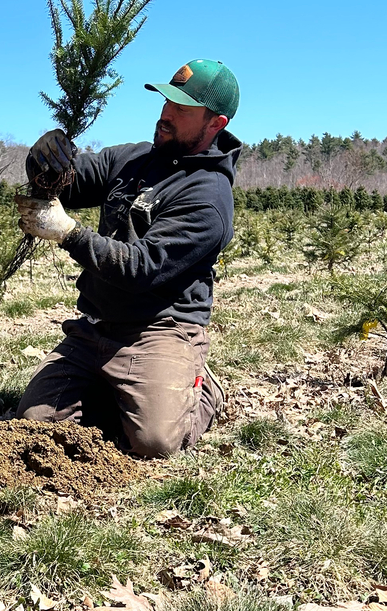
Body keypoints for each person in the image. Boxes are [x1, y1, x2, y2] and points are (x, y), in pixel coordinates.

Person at [14, 59, 242, 458]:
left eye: (182, 109)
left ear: (215, 124)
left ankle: (201, 389)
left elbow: (141, 268)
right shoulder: (131, 159)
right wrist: (44, 162)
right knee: (35, 424)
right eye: (166, 102)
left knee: (154, 442)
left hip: (160, 329)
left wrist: (68, 233)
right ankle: (114, 386)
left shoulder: (208, 197)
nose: (166, 115)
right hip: (96, 327)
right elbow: (71, 181)